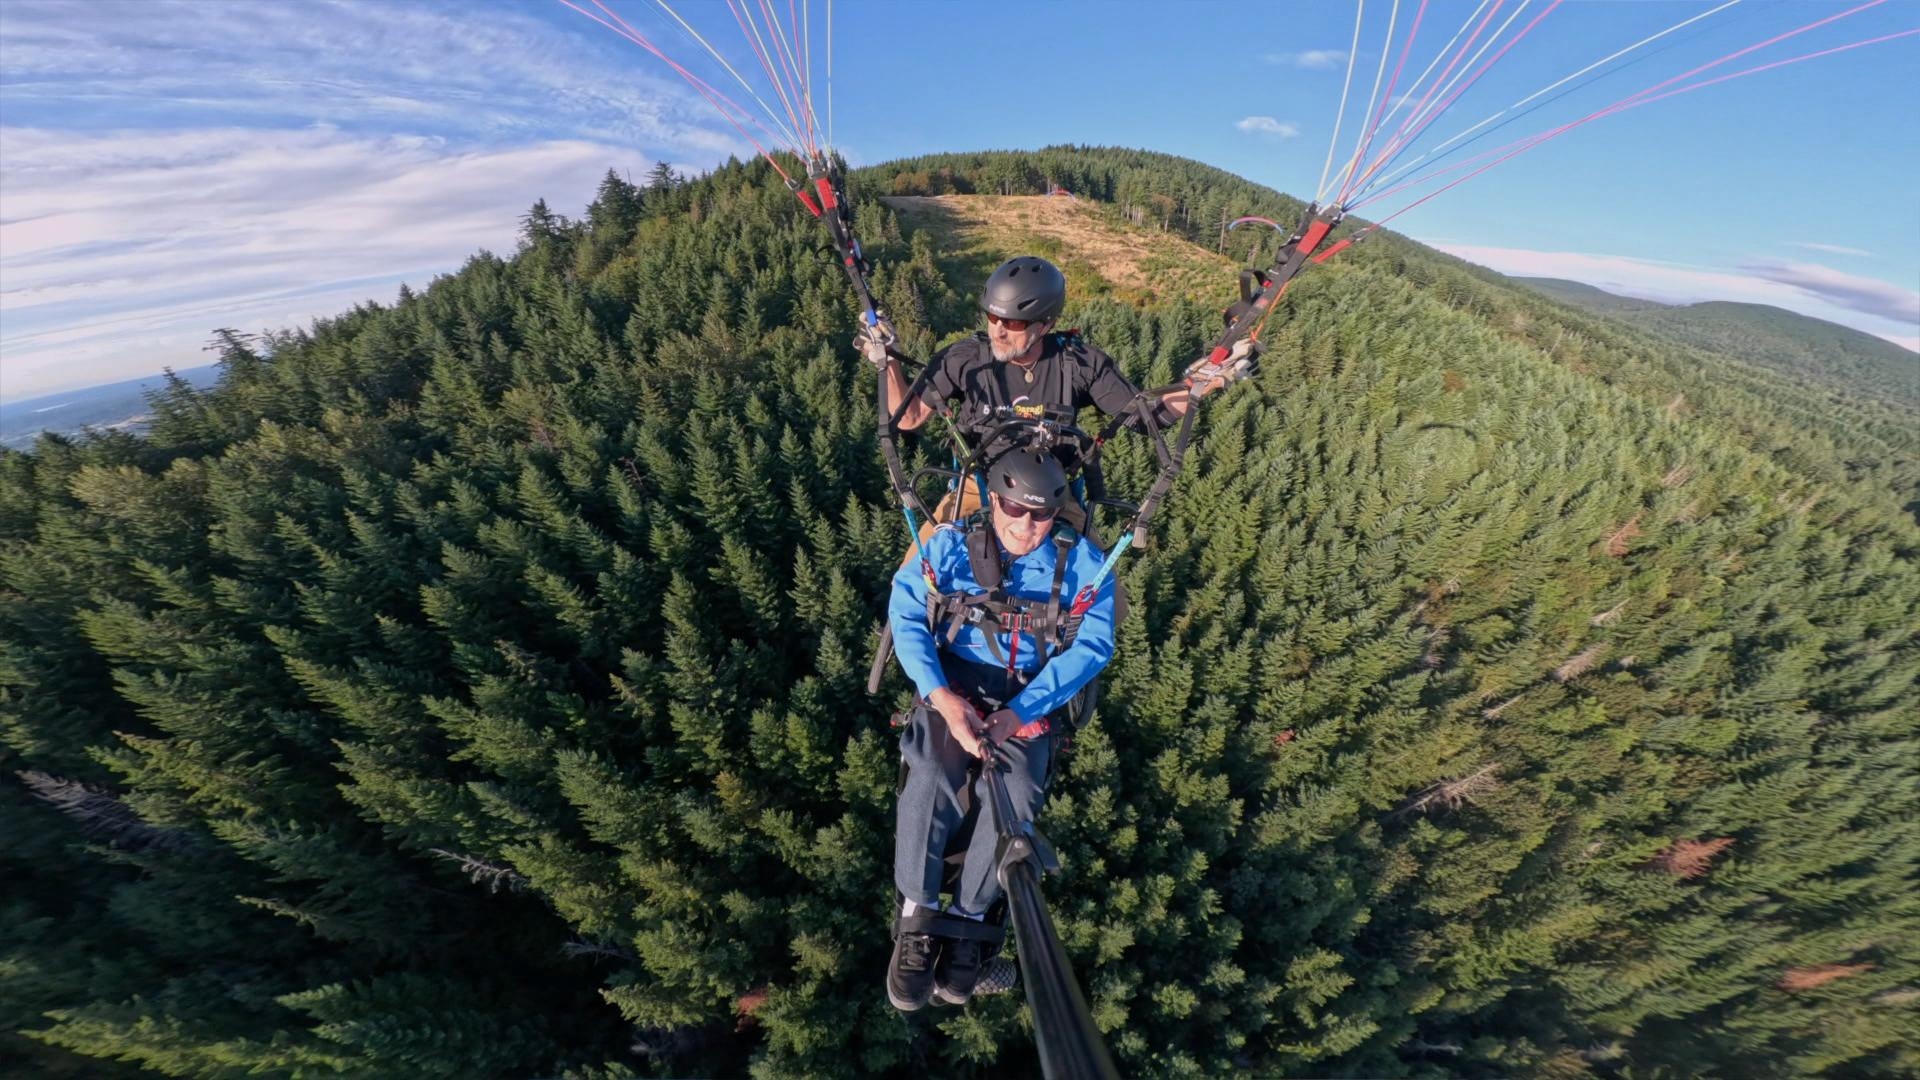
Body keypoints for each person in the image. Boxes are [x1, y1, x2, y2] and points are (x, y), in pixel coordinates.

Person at [883, 449, 1119, 1011]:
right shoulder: (947, 546)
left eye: (1040, 514)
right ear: (993, 500)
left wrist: (1022, 711)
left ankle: (970, 921)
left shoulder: (1083, 563)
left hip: (1026, 693)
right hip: (956, 684)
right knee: (932, 768)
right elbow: (907, 609)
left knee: (1015, 793)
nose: (1025, 525)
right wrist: (941, 697)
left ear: (1057, 511)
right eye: (1014, 508)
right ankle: (916, 916)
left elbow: (1094, 643)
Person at [861, 255, 1255, 532]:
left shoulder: (1078, 362)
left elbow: (1145, 415)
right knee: (916, 573)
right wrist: (888, 362)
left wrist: (1203, 382)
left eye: (1013, 322)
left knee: (1109, 599)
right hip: (976, 485)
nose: (998, 330)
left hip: (1052, 495)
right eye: (993, 316)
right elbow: (908, 417)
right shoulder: (966, 358)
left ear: (1045, 324)